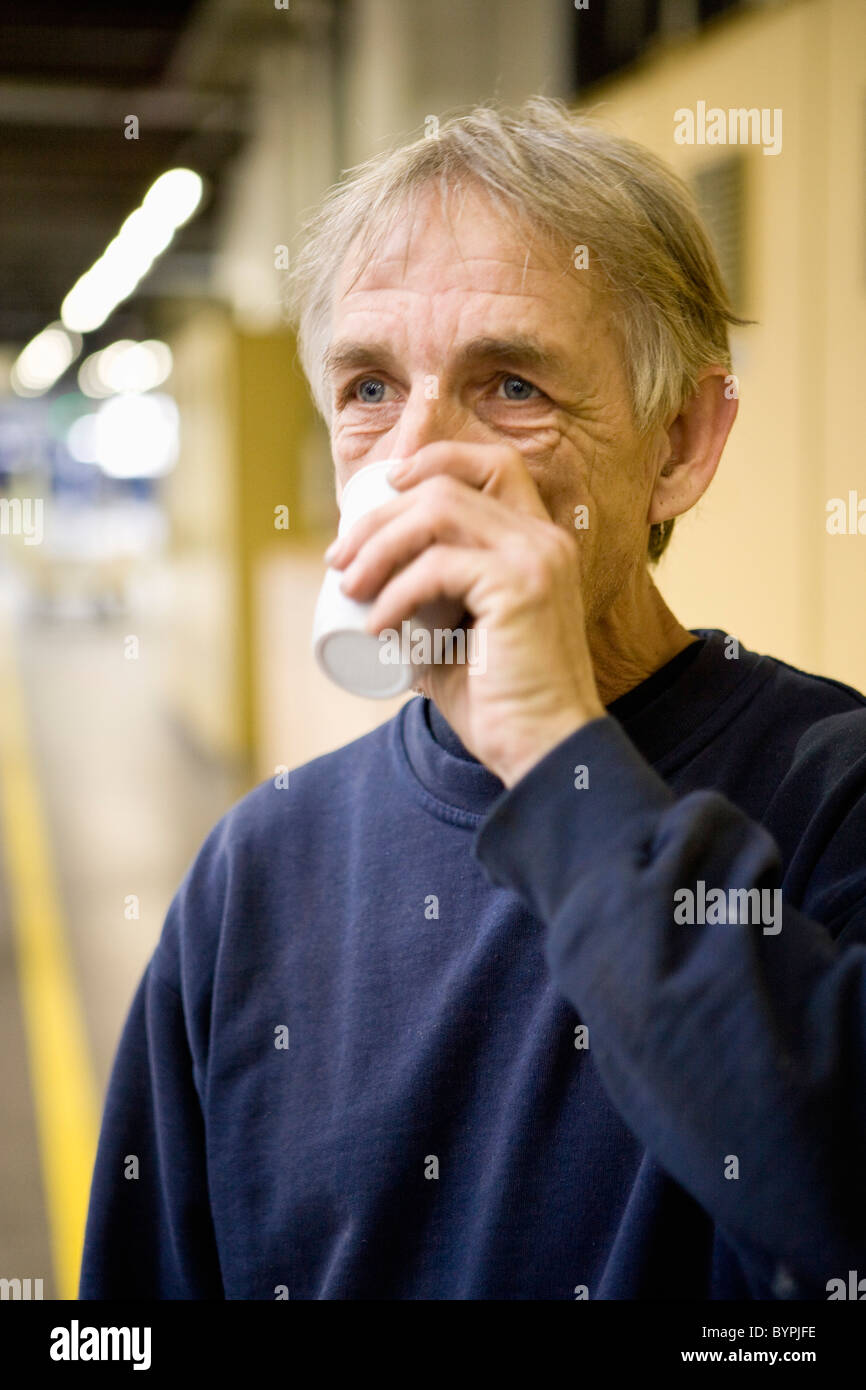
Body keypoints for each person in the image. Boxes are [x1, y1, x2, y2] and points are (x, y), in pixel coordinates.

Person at [79, 97, 866, 1300]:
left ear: (680, 443)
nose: (419, 459)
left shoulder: (832, 791)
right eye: (367, 389)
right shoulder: (256, 870)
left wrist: (555, 752)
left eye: (509, 385)